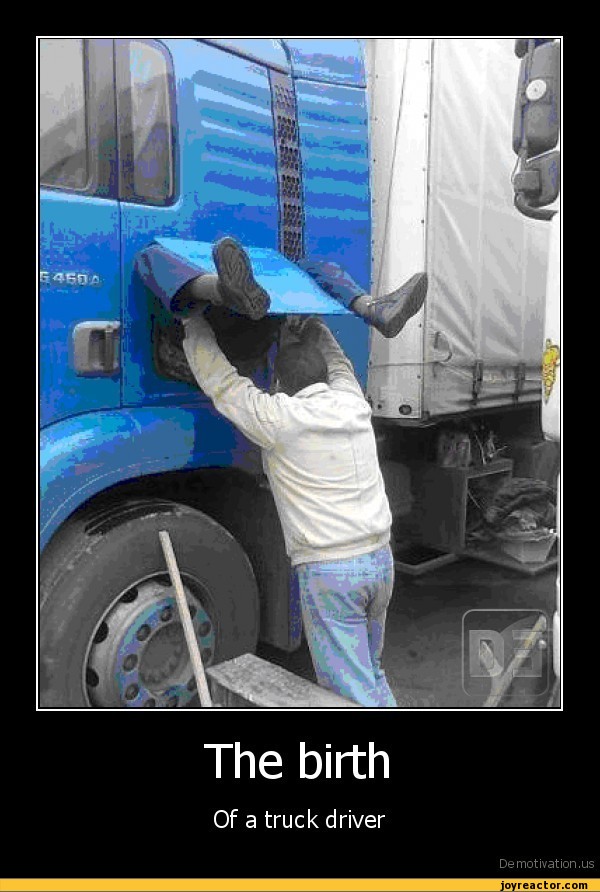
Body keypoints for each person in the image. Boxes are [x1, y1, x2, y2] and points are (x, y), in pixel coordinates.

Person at [135, 236, 428, 339]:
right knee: (313, 267)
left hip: (220, 329)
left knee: (149, 256)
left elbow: (219, 380)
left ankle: (223, 290)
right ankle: (371, 308)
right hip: (260, 330)